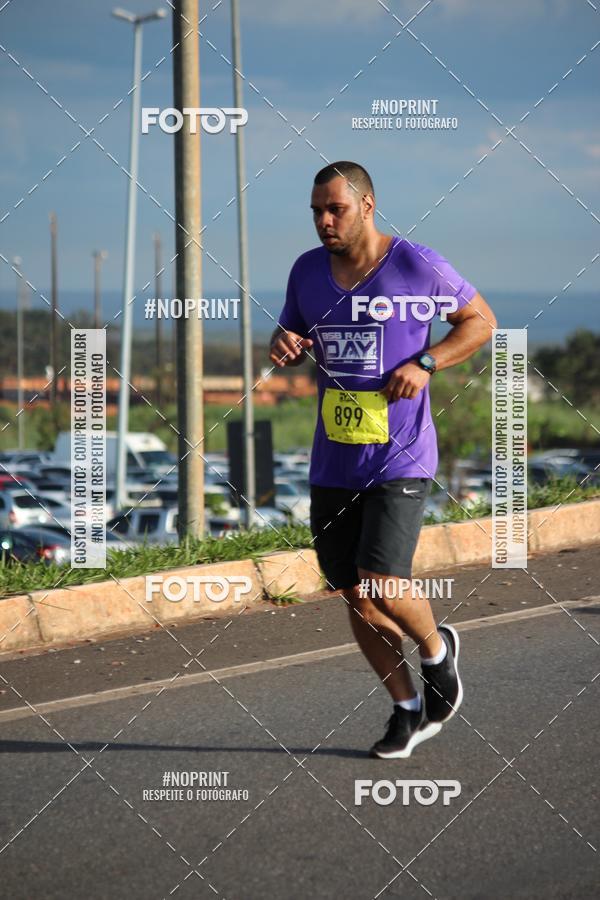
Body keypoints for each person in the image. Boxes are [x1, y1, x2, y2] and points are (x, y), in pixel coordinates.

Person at [269, 161, 497, 759]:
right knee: (355, 593)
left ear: (366, 206)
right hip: (334, 461)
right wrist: (284, 343)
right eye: (317, 211)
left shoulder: (415, 264)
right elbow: (289, 334)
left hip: (401, 456)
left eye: (335, 209)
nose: (324, 220)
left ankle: (437, 652)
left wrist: (427, 362)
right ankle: (405, 707)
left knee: (383, 583)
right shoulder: (306, 271)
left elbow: (480, 322)